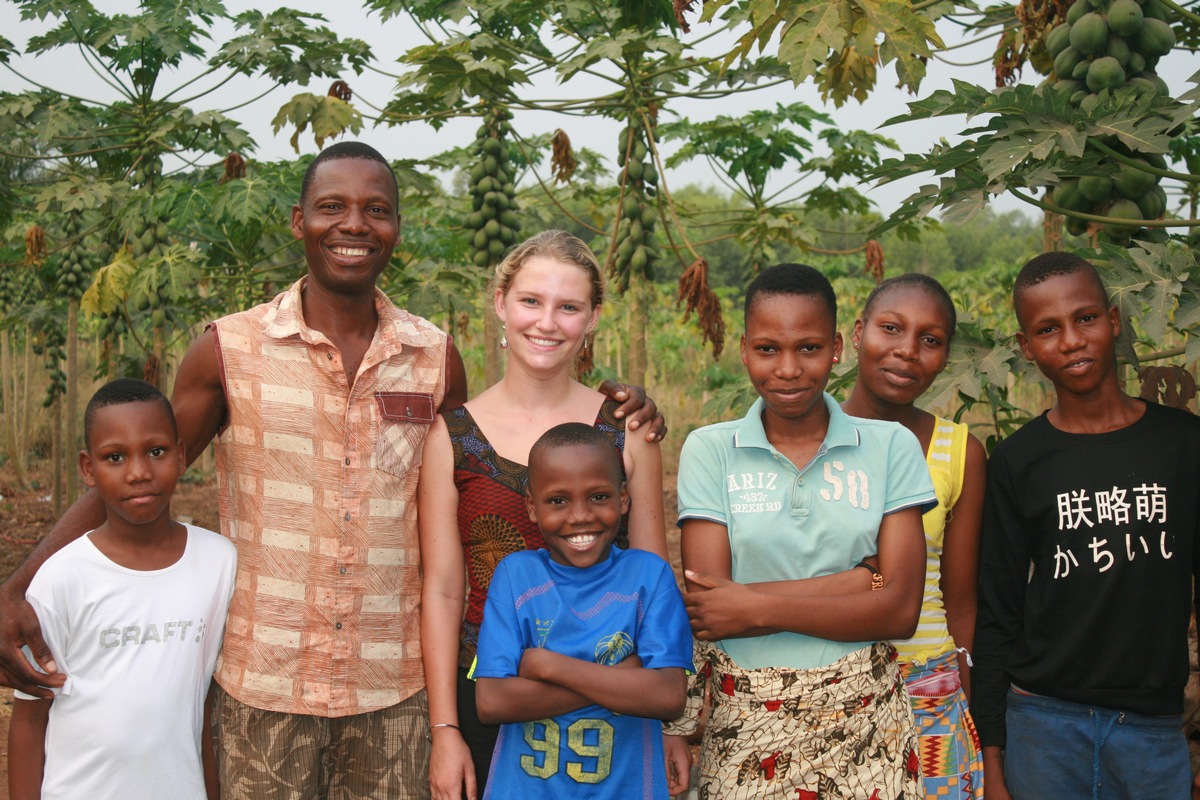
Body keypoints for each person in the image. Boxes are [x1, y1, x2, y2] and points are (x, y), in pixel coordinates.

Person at [0, 142, 663, 799]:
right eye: (332, 207)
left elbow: (494, 473)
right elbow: (137, 479)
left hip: (394, 692)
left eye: (376, 209)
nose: (353, 224)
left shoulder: (433, 358)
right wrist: (20, 587)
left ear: (396, 228)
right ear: (299, 221)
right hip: (265, 689)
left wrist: (615, 411)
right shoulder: (228, 351)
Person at [417, 229, 671, 800]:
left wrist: (670, 725)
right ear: (501, 301)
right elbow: (442, 590)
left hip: (618, 698)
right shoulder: (451, 437)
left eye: (569, 307)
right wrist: (445, 729)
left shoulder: (627, 431)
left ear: (593, 317)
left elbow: (653, 574)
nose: (547, 322)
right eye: (531, 301)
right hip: (490, 698)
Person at [668, 263, 936, 799]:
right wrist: (853, 583)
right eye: (768, 349)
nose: (788, 369)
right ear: (743, 349)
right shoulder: (710, 449)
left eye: (808, 348)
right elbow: (712, 612)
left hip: (866, 724)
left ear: (836, 347)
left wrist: (754, 606)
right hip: (746, 728)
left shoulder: (890, 447)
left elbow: (901, 611)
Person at [973, 252, 1200, 800]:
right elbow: (998, 615)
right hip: (1042, 723)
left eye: (1086, 318)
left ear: (1114, 320)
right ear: (1028, 348)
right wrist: (993, 757)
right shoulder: (1017, 461)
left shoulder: (1184, 444)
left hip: (1153, 730)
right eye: (1048, 329)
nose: (1071, 340)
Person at [7, 378, 237, 800]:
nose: (139, 472)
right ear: (88, 468)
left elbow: (204, 705)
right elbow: (28, 718)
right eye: (115, 457)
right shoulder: (61, 578)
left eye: (156, 451)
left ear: (182, 455)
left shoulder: (219, 563)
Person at [471, 422, 692, 799]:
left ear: (623, 498)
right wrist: (622, 679)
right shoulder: (516, 576)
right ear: (531, 507)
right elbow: (492, 701)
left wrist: (547, 666)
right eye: (558, 500)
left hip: (625, 788)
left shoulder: (647, 576)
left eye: (598, 497)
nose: (580, 516)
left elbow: (668, 696)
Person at [841, 274, 986, 799]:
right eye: (891, 328)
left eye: (931, 339)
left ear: (946, 355)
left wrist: (965, 712)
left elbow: (960, 600)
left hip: (931, 689)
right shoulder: (806, 436)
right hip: (831, 684)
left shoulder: (959, 450)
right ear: (858, 333)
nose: (907, 351)